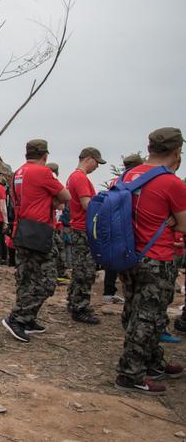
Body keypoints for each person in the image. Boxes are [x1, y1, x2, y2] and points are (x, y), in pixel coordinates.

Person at [114, 128, 186, 395]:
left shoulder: (126, 176)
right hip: (157, 256)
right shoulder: (171, 183)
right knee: (149, 316)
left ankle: (153, 361)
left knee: (135, 309)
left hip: (128, 254)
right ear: (177, 151)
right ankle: (130, 374)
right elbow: (184, 224)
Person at [2, 139, 70, 343]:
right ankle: (18, 318)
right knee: (48, 281)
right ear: (45, 156)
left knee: (26, 277)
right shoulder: (42, 172)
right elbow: (65, 195)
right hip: (39, 230)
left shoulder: (18, 173)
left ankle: (27, 319)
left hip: (22, 229)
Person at [66, 147, 106, 325]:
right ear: (89, 159)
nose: (97, 166)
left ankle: (74, 301)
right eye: (97, 162)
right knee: (86, 270)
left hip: (79, 227)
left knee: (80, 268)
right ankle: (79, 307)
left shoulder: (74, 176)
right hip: (84, 228)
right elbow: (87, 205)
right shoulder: (80, 178)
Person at [102, 153, 144, 304]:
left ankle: (109, 292)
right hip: (137, 227)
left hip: (117, 227)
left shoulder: (116, 181)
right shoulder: (145, 180)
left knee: (114, 260)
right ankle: (135, 295)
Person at [46, 163, 67, 281]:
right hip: (49, 224)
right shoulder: (52, 182)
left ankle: (58, 273)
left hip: (44, 223)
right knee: (56, 249)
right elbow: (62, 206)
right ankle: (58, 274)